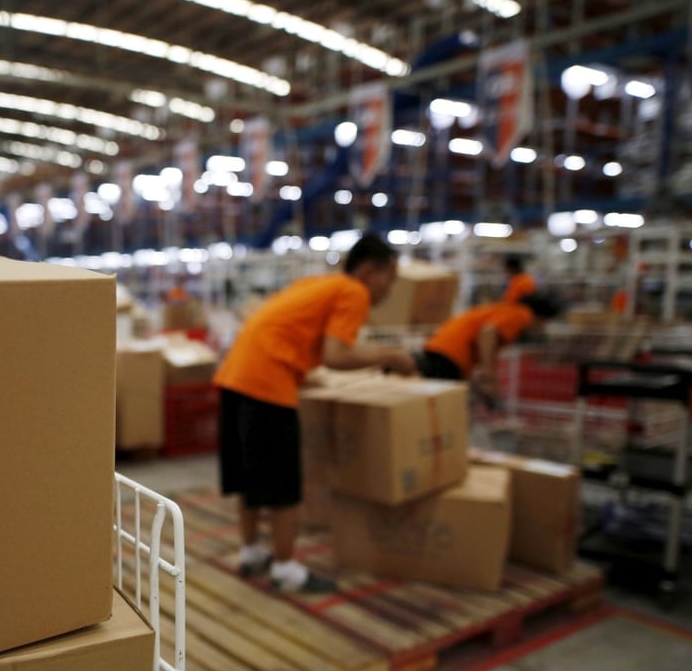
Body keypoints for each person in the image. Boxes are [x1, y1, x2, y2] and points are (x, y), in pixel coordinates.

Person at [213, 233, 417, 593]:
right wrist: (392, 356)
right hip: (267, 384)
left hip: (235, 377)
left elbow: (290, 335)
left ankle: (251, 552)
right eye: (391, 277)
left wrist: (303, 377)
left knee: (251, 476)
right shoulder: (355, 292)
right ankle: (286, 568)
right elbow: (336, 355)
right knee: (284, 484)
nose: (391, 287)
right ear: (370, 271)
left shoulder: (317, 284)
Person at [414, 293, 562, 400]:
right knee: (445, 406)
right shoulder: (523, 314)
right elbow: (488, 332)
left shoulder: (506, 310)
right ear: (541, 318)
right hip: (450, 354)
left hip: (442, 348)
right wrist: (488, 372)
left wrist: (487, 377)